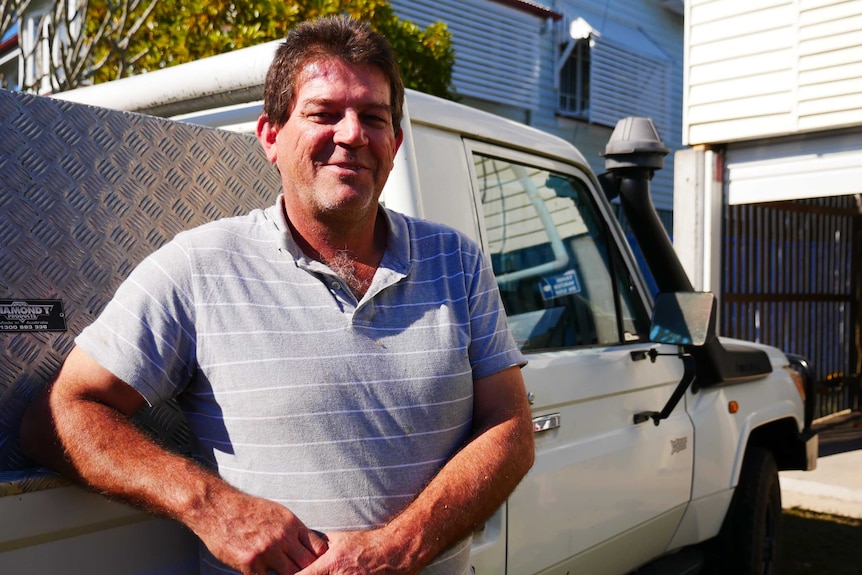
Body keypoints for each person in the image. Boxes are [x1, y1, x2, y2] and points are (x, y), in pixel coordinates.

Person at [21, 16, 534, 575]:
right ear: (270, 136)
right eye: (324, 113)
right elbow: (58, 416)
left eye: (374, 117)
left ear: (395, 142)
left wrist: (397, 550)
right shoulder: (199, 267)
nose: (352, 134)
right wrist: (212, 507)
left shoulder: (456, 260)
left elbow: (510, 423)